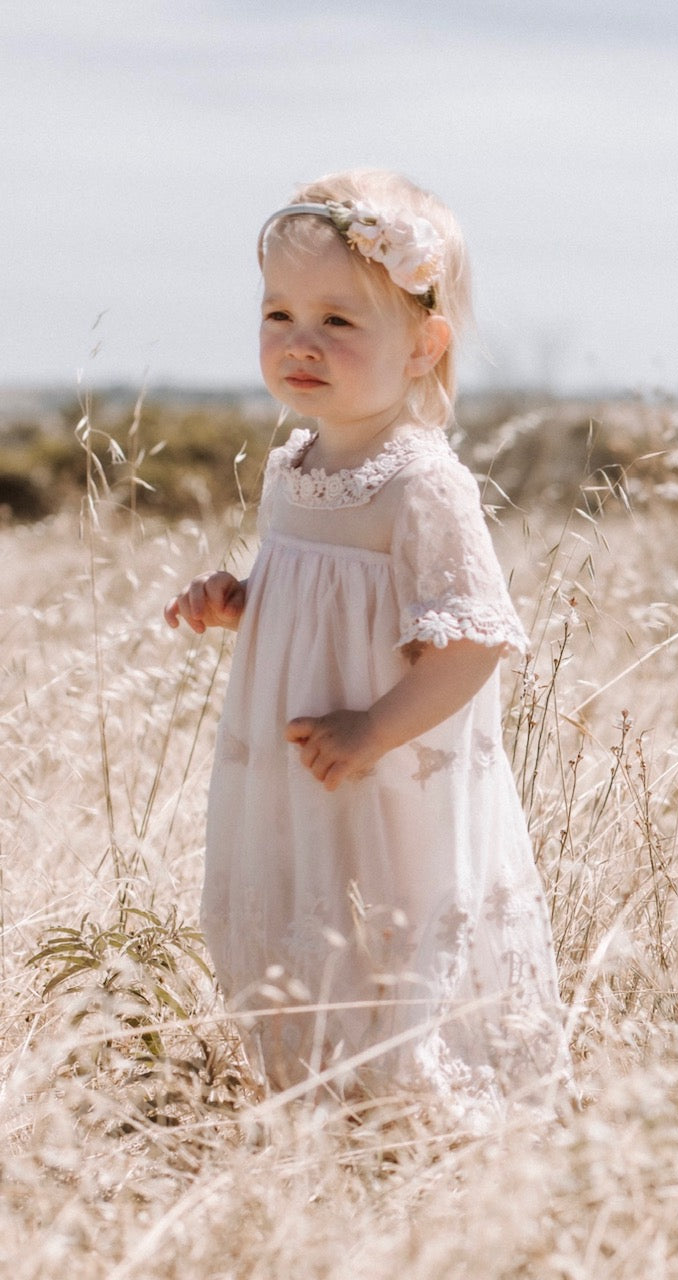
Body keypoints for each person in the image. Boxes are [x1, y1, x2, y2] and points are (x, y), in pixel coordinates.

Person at [165, 170, 565, 1108]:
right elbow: (312, 593)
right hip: (299, 766)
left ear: (424, 345)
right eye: (279, 315)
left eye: (339, 322)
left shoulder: (422, 482)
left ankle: (421, 1110)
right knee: (304, 911)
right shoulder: (293, 467)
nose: (300, 342)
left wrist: (374, 730)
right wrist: (243, 601)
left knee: (390, 919)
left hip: (386, 769)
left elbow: (471, 642)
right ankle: (317, 1102)